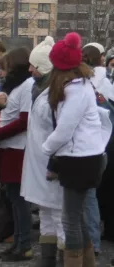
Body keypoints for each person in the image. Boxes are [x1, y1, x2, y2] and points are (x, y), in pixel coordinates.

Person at [45, 32, 110, 266]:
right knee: (79, 216)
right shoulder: (82, 84)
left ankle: (74, 262)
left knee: (70, 219)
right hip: (87, 157)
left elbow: (65, 130)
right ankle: (88, 262)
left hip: (79, 159)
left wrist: (45, 149)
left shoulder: (74, 90)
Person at [20, 36, 66, 267]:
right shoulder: (38, 90)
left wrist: (55, 164)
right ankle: (47, 261)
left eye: (34, 66)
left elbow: (63, 132)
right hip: (38, 165)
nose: (30, 70)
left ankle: (64, 261)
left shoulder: (58, 94)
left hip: (53, 168)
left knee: (60, 217)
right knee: (46, 214)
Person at [0, 47, 34, 262]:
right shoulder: (17, 87)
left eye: (5, 68)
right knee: (13, 197)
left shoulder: (27, 87)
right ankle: (17, 241)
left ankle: (24, 244)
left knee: (19, 200)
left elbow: (24, 121)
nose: (2, 73)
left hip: (17, 148)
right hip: (7, 146)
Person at [82, 44, 114, 253]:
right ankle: (107, 229)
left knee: (99, 190)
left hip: (99, 141)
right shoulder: (105, 81)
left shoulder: (96, 82)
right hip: (107, 140)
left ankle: (102, 230)